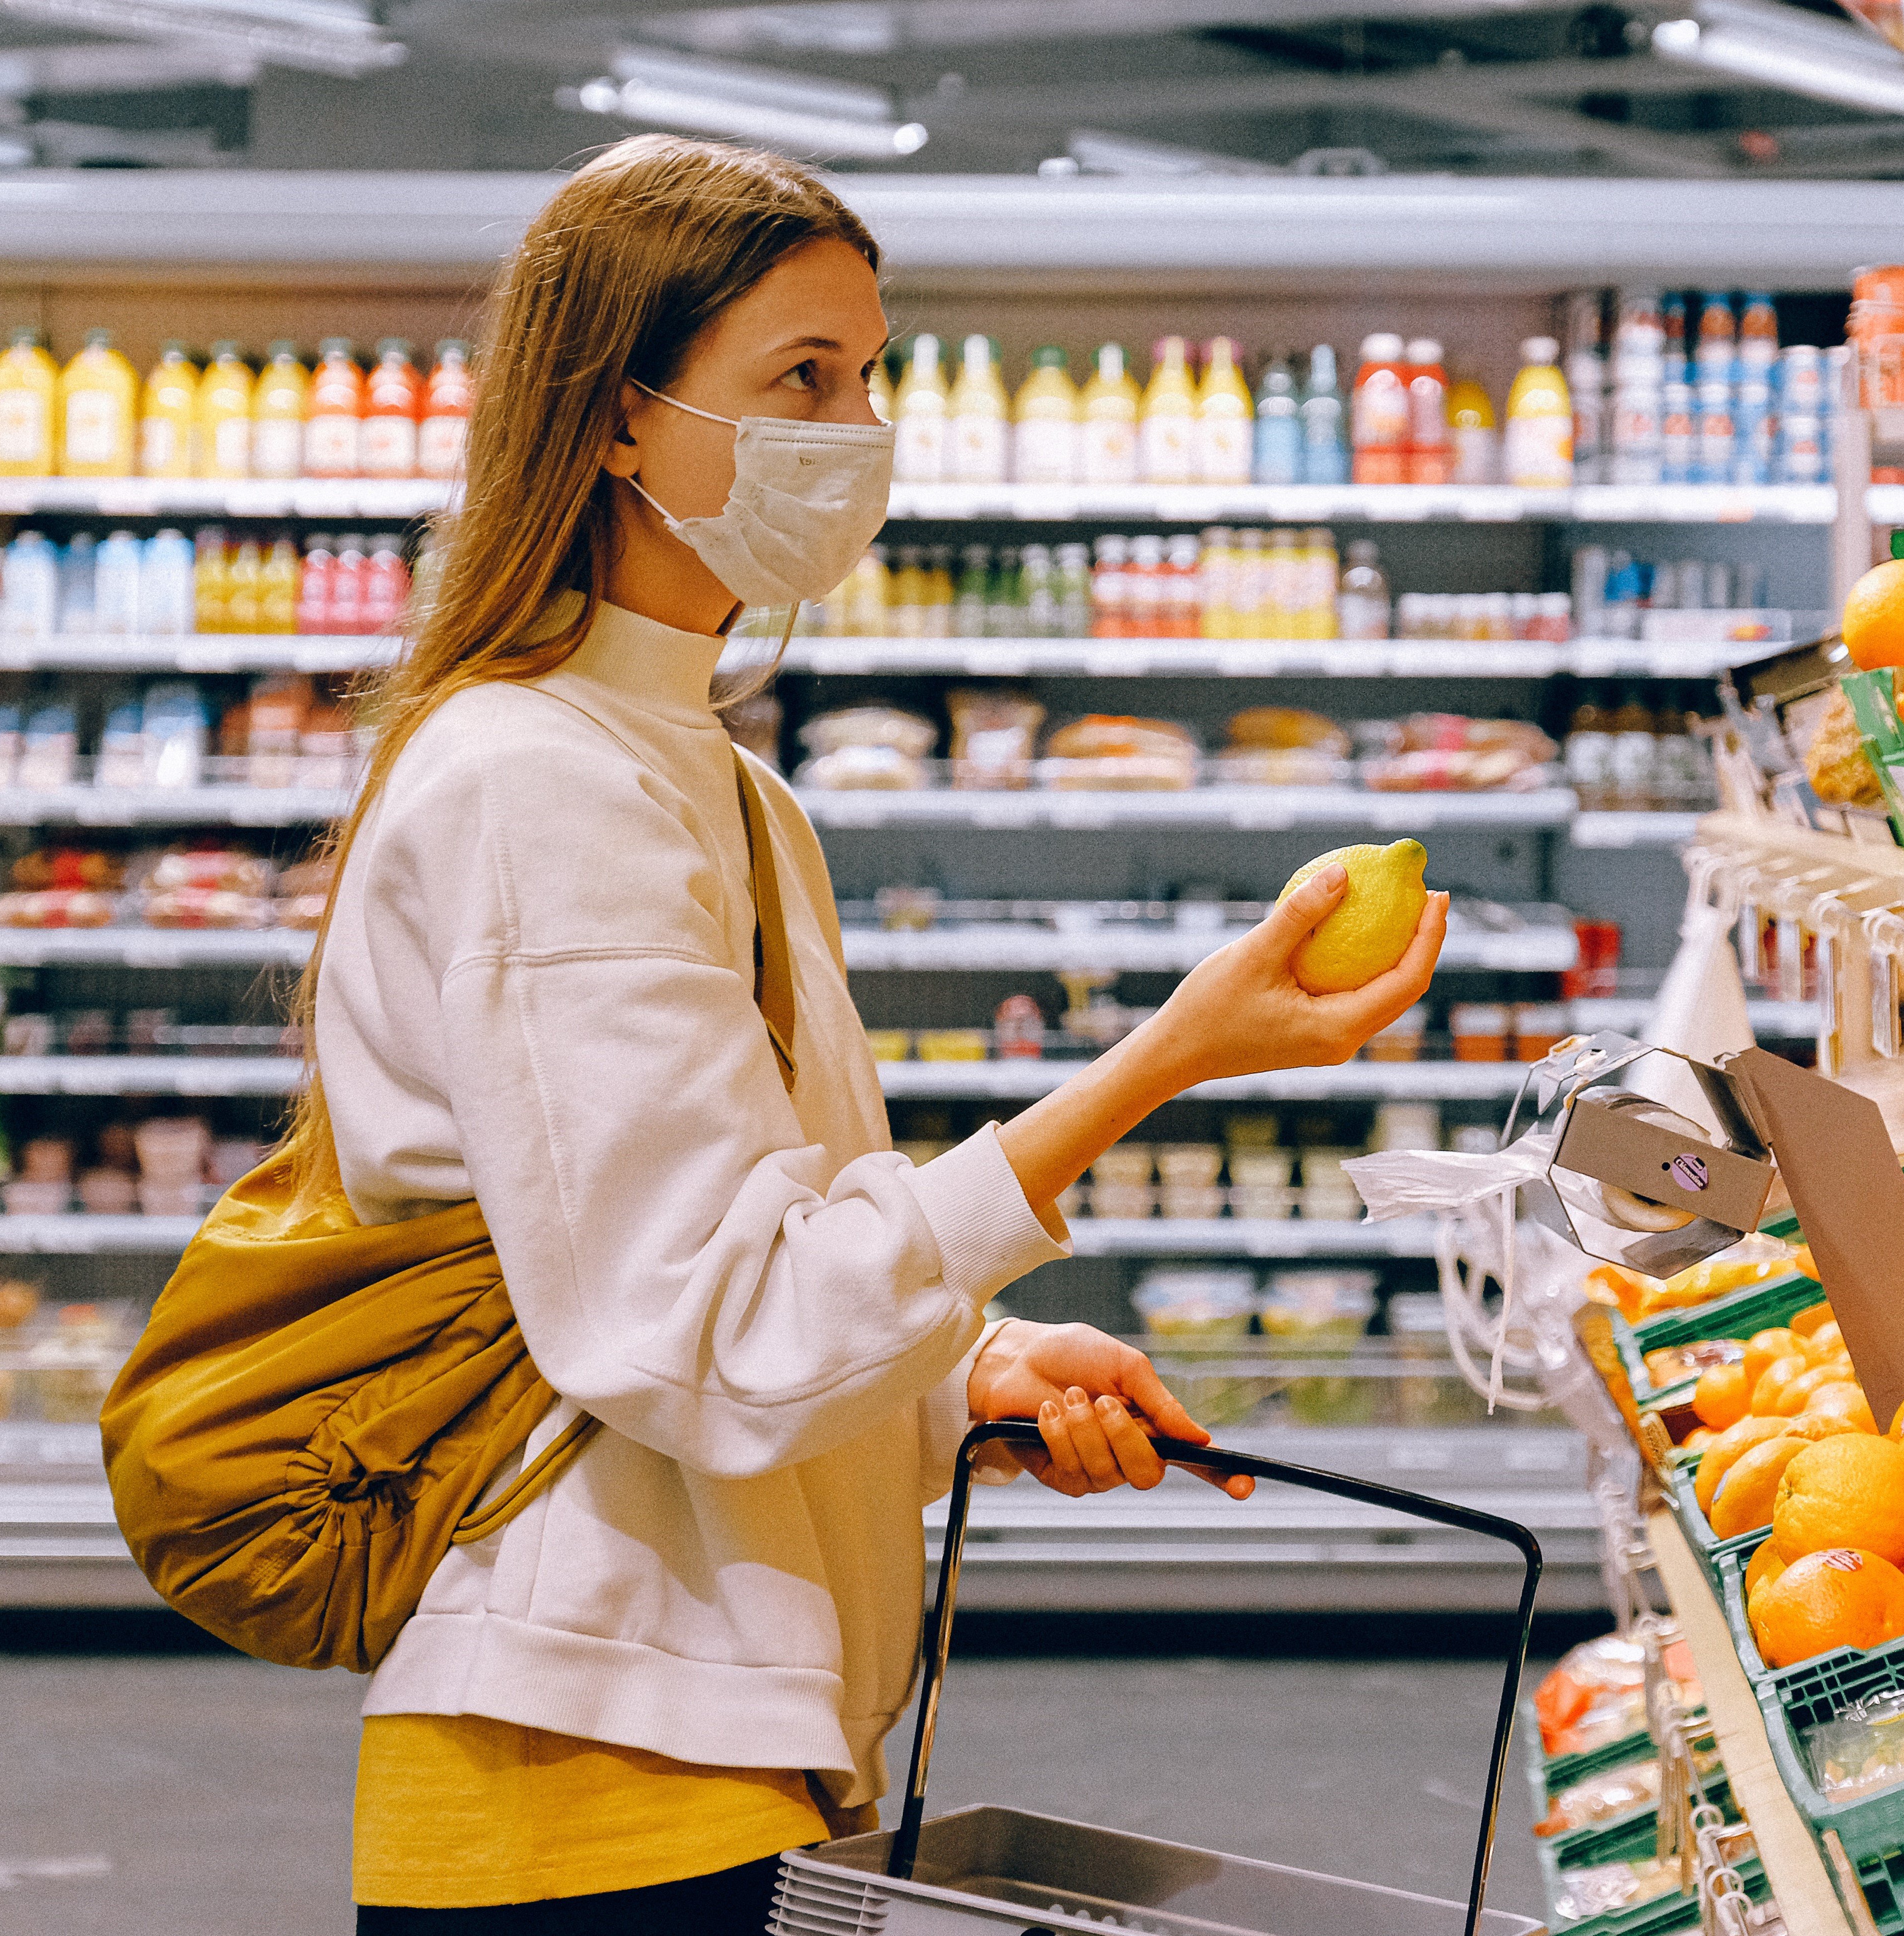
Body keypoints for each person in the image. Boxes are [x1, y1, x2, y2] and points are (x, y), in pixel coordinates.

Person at [294, 135, 1447, 1930]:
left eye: (874, 371)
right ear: (617, 417)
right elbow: (710, 1331)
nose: (858, 429)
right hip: (590, 1778)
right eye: (801, 379)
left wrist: (957, 1374)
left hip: (730, 1745)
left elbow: (750, 1256)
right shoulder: (537, 782)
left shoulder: (727, 789)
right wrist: (1159, 1064)